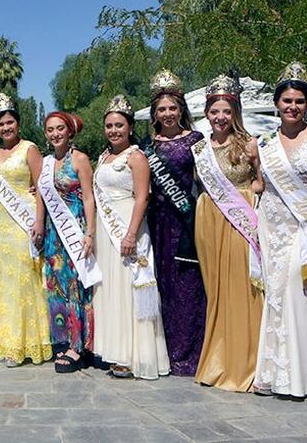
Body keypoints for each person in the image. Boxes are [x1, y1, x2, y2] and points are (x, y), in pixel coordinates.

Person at [253, 63, 307, 398]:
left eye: (299, 101)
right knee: (277, 294)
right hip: (272, 225)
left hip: (305, 224)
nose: (292, 106)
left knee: (300, 292)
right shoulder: (263, 143)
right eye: (286, 101)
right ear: (276, 104)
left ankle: (302, 376)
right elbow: (258, 184)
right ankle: (274, 372)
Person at [191, 74, 264, 392]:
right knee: (216, 290)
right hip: (209, 220)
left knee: (241, 287)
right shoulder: (199, 148)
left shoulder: (249, 143)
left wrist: (254, 194)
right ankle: (217, 359)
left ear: (235, 112)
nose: (220, 117)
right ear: (206, 113)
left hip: (240, 218)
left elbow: (262, 183)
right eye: (214, 111)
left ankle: (243, 363)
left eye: (226, 111)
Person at [93, 96, 169, 380]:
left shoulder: (136, 157)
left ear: (129, 127)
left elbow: (143, 197)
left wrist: (130, 234)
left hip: (127, 228)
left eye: (119, 126)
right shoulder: (104, 157)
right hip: (106, 231)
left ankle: (134, 355)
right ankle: (115, 350)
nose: (114, 131)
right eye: (110, 126)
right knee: (112, 290)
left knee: (129, 290)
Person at [0, 93, 53, 368]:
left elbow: (42, 189)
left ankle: (29, 343)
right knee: (7, 281)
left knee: (26, 278)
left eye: (10, 122)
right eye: (1, 124)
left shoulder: (30, 149)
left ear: (19, 123)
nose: (6, 128)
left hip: (23, 222)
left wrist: (39, 222)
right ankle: (10, 342)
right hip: (0, 223)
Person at [145, 69, 207, 376]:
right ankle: (169, 351)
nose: (168, 114)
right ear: (154, 114)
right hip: (158, 223)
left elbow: (211, 178)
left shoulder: (196, 140)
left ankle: (193, 352)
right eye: (162, 109)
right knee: (164, 286)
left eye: (172, 108)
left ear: (181, 109)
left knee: (190, 284)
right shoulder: (147, 146)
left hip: (188, 221)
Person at [39, 111, 99, 373]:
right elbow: (41, 195)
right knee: (56, 286)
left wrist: (90, 233)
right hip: (53, 234)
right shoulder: (44, 163)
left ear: (70, 131)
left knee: (75, 287)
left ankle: (78, 346)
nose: (55, 134)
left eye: (60, 129)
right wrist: (38, 225)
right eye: (50, 130)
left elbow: (89, 198)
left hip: (74, 229)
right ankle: (62, 339)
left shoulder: (80, 159)